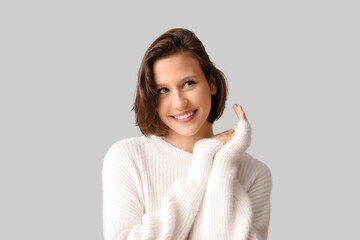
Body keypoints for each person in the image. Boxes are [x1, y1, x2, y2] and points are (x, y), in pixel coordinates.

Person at [102, 28, 272, 240]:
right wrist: (200, 167)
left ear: (211, 83)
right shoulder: (128, 158)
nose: (179, 102)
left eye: (189, 83)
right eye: (163, 90)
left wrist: (222, 163)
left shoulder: (255, 174)